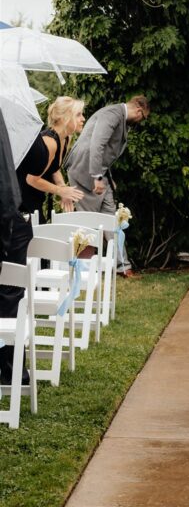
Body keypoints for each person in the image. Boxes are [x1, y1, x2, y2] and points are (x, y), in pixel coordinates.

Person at [0, 96, 84, 382]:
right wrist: (60, 193)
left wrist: (62, 187)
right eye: (79, 115)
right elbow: (32, 178)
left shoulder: (63, 141)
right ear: (63, 118)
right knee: (13, 289)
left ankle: (12, 366)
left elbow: (52, 169)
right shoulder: (48, 141)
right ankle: (12, 370)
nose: (83, 119)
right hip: (20, 209)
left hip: (24, 211)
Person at [68, 95, 151, 276]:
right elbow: (97, 144)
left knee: (110, 220)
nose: (140, 121)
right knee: (87, 221)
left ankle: (122, 266)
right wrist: (97, 176)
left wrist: (107, 176)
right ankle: (83, 270)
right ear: (139, 110)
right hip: (84, 171)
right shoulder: (113, 114)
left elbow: (105, 153)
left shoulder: (119, 117)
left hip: (99, 173)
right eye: (142, 117)